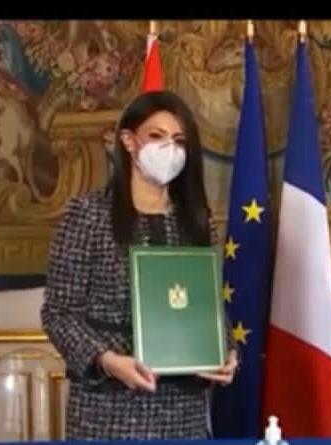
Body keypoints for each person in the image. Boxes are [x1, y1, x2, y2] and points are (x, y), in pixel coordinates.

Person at [41, 91, 239, 440]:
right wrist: (106, 360)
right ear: (129, 141)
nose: (169, 149)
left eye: (179, 141)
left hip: (183, 415)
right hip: (107, 414)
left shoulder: (196, 221)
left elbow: (207, 307)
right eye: (157, 136)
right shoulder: (88, 216)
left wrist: (227, 352)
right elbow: (59, 314)